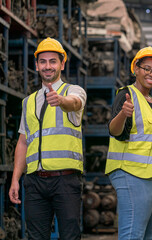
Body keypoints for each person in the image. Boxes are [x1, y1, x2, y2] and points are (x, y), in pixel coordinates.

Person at [8, 37, 87, 239]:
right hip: (34, 182)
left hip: (66, 180)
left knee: (70, 235)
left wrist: (61, 101)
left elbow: (75, 103)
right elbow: (23, 142)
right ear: (36, 65)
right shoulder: (29, 101)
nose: (48, 66)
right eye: (43, 61)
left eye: (53, 61)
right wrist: (15, 179)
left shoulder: (73, 91)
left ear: (62, 63)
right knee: (35, 236)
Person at [105, 46, 152, 239]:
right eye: (147, 68)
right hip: (132, 173)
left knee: (146, 235)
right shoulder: (126, 94)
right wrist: (123, 114)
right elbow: (114, 131)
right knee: (132, 234)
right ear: (136, 68)